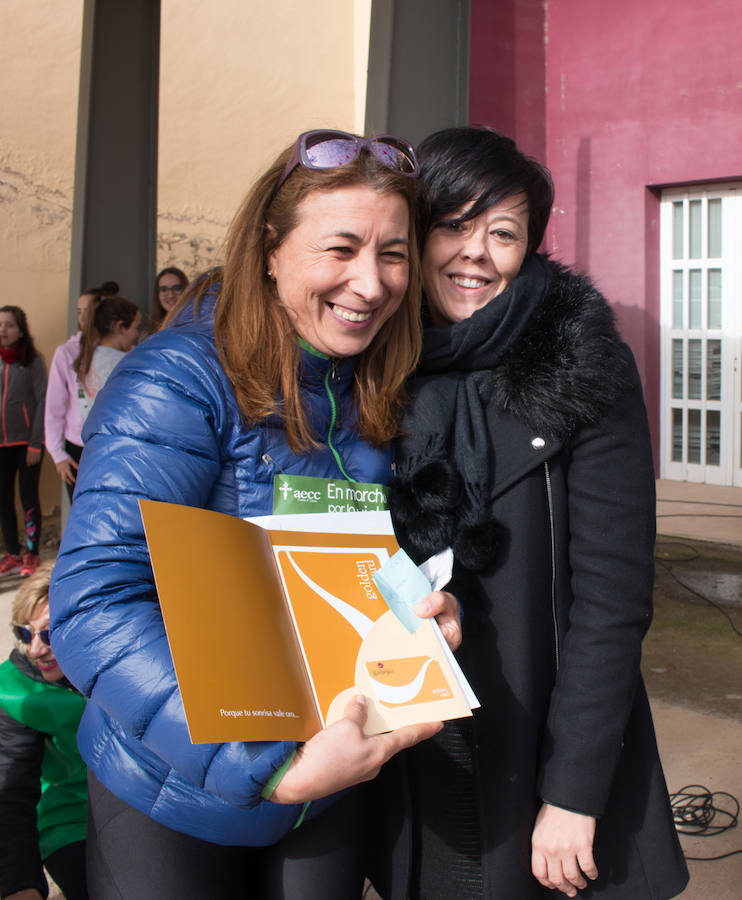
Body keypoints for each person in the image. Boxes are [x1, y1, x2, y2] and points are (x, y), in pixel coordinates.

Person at [49, 129, 461, 900]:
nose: (370, 284)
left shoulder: (367, 389)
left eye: (394, 254)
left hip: (329, 784)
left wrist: (420, 617)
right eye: (340, 249)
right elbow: (95, 607)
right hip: (171, 792)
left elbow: (350, 565)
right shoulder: (179, 381)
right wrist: (270, 762)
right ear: (270, 250)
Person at [380, 127, 689, 899]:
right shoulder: (373, 363)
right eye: (453, 224)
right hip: (403, 744)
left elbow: (613, 600)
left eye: (504, 234)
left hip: (531, 735)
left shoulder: (584, 364)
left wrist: (576, 790)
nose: (475, 253)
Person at [0, 560, 88, 900]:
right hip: (70, 821)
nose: (35, 649)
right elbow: (11, 792)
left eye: (49, 633)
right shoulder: (13, 691)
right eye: (25, 633)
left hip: (143, 802)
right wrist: (18, 884)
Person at [44, 281, 119, 501]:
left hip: (110, 445)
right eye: (79, 312)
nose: (83, 318)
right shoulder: (67, 352)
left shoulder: (122, 351)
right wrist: (58, 454)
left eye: (89, 312)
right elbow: (53, 408)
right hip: (77, 449)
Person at [0, 307, 47, 579]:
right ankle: (12, 555)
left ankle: (32, 553)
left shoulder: (33, 361)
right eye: (0, 325)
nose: (3, 330)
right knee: (3, 500)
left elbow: (43, 400)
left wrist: (36, 443)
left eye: (9, 325)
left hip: (26, 443)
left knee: (28, 498)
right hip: (1, 444)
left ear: (20, 330)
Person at [73, 294, 141, 425]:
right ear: (119, 327)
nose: (137, 334)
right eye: (135, 327)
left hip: (94, 439)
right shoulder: (124, 363)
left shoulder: (87, 359)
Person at [148, 266, 188, 333]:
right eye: (164, 290)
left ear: (186, 291)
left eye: (176, 288)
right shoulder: (149, 332)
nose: (171, 295)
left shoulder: (197, 327)